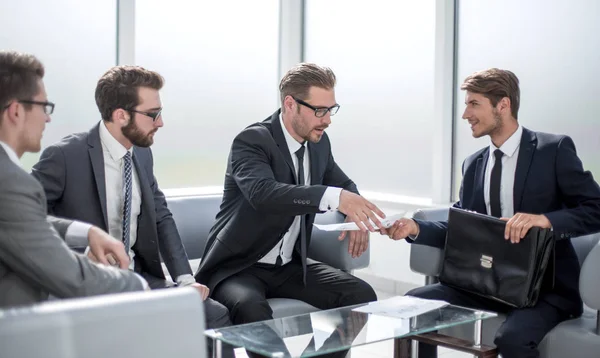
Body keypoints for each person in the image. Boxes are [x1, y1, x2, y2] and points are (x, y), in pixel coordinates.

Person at [383, 68, 600, 357]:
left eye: (474, 104)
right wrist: (414, 228)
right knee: (414, 306)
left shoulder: (553, 150)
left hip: (545, 293)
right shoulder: (473, 164)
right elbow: (462, 228)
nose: (465, 114)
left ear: (503, 105)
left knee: (512, 338)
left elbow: (595, 208)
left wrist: (545, 220)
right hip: (486, 285)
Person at [31, 65, 231, 330]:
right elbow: (28, 221)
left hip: (138, 279)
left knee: (214, 314)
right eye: (153, 114)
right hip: (87, 285)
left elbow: (161, 216)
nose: (160, 122)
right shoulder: (65, 157)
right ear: (121, 115)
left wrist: (185, 279)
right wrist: (81, 252)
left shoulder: (142, 154)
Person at [196, 63, 383, 326]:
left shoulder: (318, 144)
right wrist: (336, 198)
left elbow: (343, 185)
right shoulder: (252, 141)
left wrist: (356, 216)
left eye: (331, 110)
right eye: (319, 110)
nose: (327, 120)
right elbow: (264, 194)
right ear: (290, 104)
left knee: (361, 295)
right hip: (238, 268)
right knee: (251, 309)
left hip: (290, 267)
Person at [0, 50, 146, 308]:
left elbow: (15, 219)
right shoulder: (11, 183)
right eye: (44, 106)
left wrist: (85, 232)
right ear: (15, 111)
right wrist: (137, 286)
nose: (48, 117)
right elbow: (72, 277)